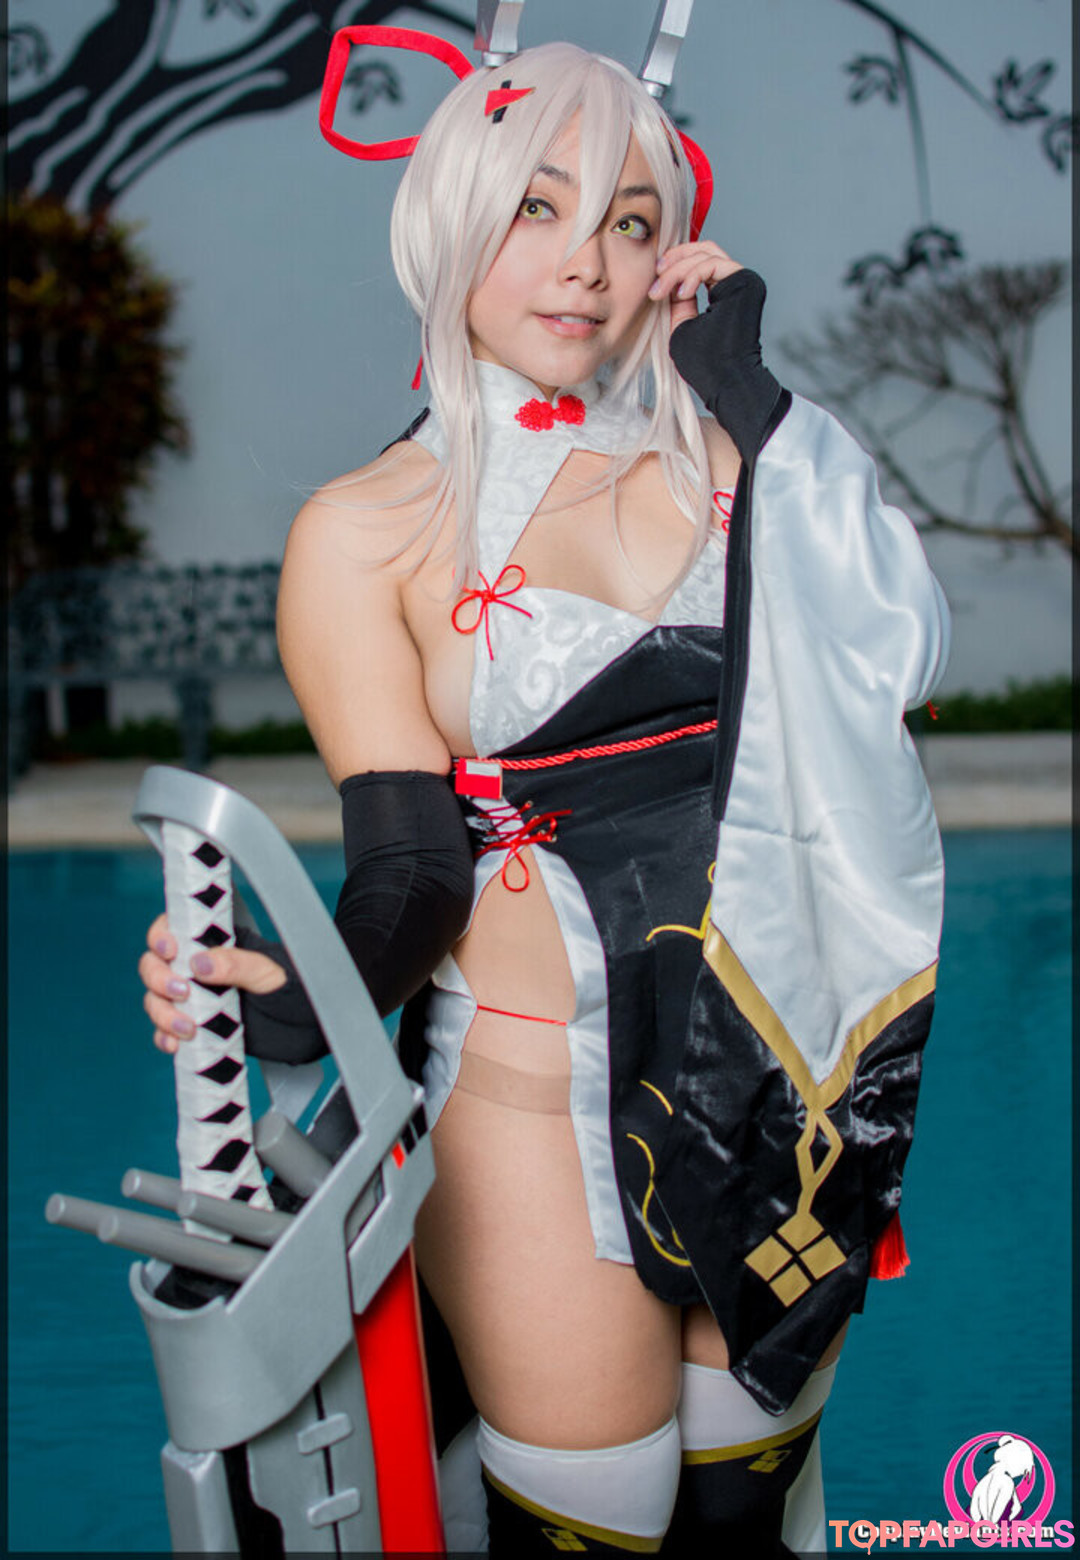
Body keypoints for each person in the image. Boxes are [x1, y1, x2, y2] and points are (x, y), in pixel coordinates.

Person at [139, 39, 949, 1558]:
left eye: (631, 222)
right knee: (599, 1523)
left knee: (745, 1508)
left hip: (782, 1083)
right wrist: (293, 991)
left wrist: (753, 392)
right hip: (531, 1107)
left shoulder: (744, 457)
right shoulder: (366, 531)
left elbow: (900, 660)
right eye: (537, 207)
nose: (585, 262)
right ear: (451, 215)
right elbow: (410, 873)